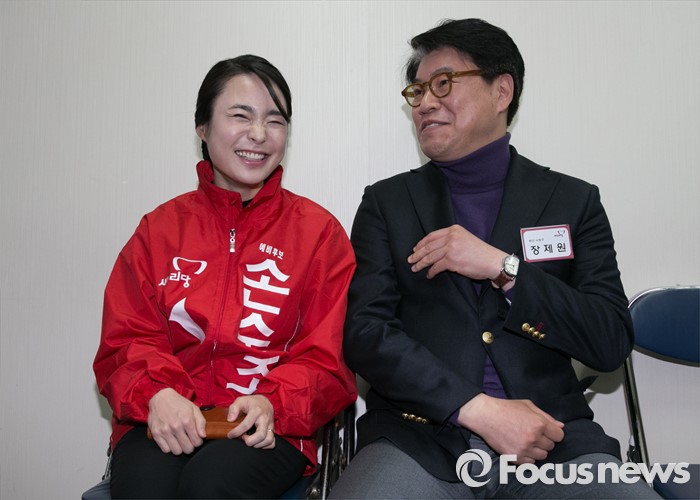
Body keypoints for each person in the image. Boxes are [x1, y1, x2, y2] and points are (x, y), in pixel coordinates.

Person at [331, 19, 659, 499]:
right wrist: (476, 408)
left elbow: (609, 340)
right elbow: (366, 334)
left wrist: (505, 270)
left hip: (552, 442)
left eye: (443, 83)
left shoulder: (572, 201)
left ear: (502, 90)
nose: (424, 103)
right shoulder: (388, 203)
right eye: (417, 90)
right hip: (417, 439)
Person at [93, 54, 357, 499]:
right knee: (145, 487)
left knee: (210, 485)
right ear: (202, 127)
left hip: (270, 425)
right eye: (241, 116)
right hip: (165, 413)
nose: (259, 134)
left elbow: (329, 358)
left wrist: (273, 402)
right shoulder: (159, 229)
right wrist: (158, 393)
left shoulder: (319, 234)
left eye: (275, 120)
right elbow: (126, 338)